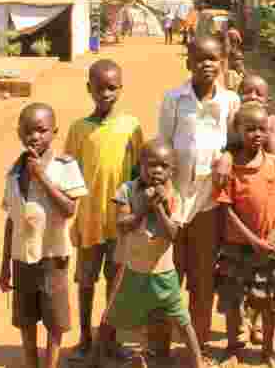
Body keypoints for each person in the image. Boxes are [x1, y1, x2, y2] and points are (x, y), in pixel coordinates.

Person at [151, 36, 239, 356]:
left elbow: (237, 141)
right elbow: (162, 146)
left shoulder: (230, 102)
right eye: (199, 58)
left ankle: (196, 348)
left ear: (222, 63)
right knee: (167, 274)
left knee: (202, 279)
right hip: (175, 201)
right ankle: (160, 347)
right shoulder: (174, 99)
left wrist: (229, 153)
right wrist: (162, 193)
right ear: (188, 62)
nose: (207, 64)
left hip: (208, 204)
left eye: (213, 58)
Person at [92, 141, 203, 368]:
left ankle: (198, 363)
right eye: (151, 165)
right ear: (140, 165)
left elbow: (172, 233)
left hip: (164, 274)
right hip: (133, 270)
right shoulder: (127, 190)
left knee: (183, 321)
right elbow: (123, 225)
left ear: (172, 170)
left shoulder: (175, 196)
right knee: (110, 318)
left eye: (164, 166)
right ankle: (94, 360)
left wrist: (159, 207)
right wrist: (143, 206)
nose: (157, 171)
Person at [64, 60, 143, 363]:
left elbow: (139, 172)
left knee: (115, 282)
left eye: (112, 87)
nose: (106, 93)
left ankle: (110, 338)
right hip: (88, 220)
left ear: (120, 89)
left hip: (120, 223)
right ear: (89, 89)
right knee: (86, 283)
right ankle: (85, 337)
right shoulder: (79, 129)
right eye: (100, 88)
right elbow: (68, 173)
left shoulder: (131, 127)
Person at [0, 103, 88, 368]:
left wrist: (41, 177)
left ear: (54, 132)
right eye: (27, 131)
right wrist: (5, 264)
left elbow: (69, 209)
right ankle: (31, 363)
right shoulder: (14, 173)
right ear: (18, 132)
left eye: (41, 130)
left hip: (53, 257)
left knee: (55, 320)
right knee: (25, 319)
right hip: (22, 257)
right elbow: (11, 220)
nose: (34, 136)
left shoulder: (65, 166)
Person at [215, 102, 275, 368]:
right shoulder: (230, 169)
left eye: (262, 129)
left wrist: (272, 237)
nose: (257, 134)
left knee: (268, 303)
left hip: (269, 247)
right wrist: (253, 240)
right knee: (233, 300)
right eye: (250, 129)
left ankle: (267, 351)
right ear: (238, 130)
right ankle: (234, 347)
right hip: (237, 247)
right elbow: (227, 213)